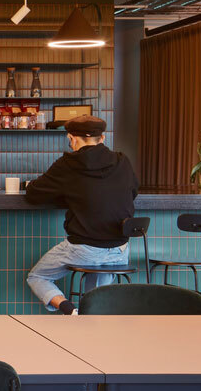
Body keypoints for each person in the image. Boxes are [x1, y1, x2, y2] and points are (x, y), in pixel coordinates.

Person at [23, 115, 139, 313]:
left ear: (72, 139)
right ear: (102, 138)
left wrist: (68, 194)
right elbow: (133, 191)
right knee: (97, 301)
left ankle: (70, 310)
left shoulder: (68, 164)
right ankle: (95, 324)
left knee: (37, 277)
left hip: (86, 249)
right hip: (119, 250)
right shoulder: (122, 160)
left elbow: (34, 194)